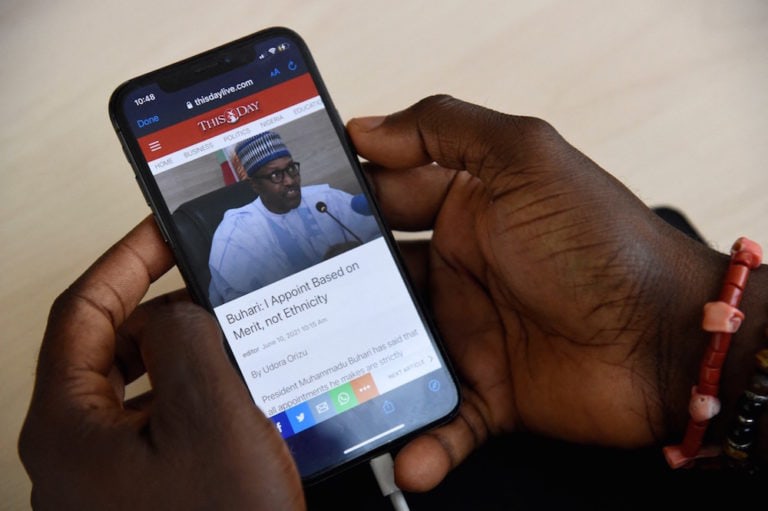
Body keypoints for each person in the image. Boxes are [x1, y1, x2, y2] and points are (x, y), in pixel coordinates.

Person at [18, 95, 767, 509]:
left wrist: (666, 332)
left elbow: (357, 247)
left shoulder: (324, 198)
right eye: (271, 176)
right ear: (250, 183)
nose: (286, 182)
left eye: (288, 170)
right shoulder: (233, 239)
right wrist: (674, 338)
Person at [208, 130, 380, 306]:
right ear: (255, 185)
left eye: (291, 169)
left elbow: (378, 239)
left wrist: (360, 253)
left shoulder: (326, 200)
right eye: (276, 175)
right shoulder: (236, 234)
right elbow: (243, 307)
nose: (290, 181)